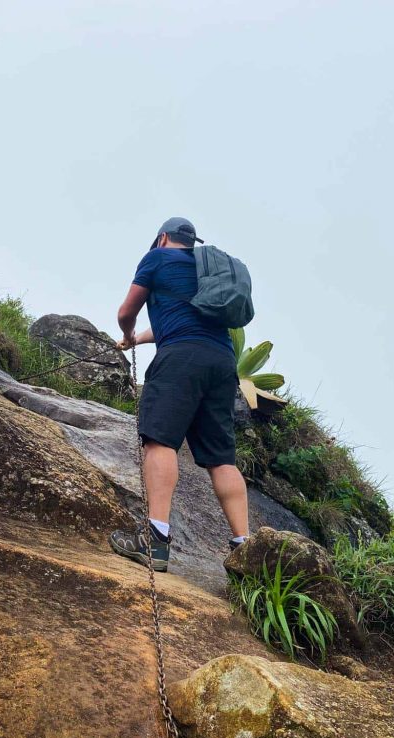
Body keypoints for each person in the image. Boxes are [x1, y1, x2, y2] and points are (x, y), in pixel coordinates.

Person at [109, 217, 249, 572]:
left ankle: (155, 539)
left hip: (181, 358)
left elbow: (127, 311)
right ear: (192, 242)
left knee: (160, 441)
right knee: (222, 458)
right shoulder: (206, 271)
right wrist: (136, 340)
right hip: (221, 362)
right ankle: (245, 548)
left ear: (163, 238)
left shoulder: (156, 258)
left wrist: (125, 330)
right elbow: (175, 320)